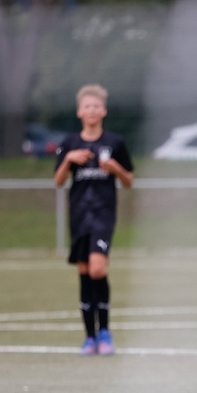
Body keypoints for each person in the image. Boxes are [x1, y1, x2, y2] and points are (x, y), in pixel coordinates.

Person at [53, 84, 133, 356]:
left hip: (103, 214)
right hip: (79, 215)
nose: (91, 110)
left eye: (96, 106)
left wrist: (115, 168)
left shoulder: (115, 142)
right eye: (87, 106)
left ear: (104, 111)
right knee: (85, 273)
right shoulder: (70, 144)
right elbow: (59, 181)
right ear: (79, 111)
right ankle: (90, 337)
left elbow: (129, 180)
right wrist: (68, 160)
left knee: (98, 269)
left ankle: (105, 332)